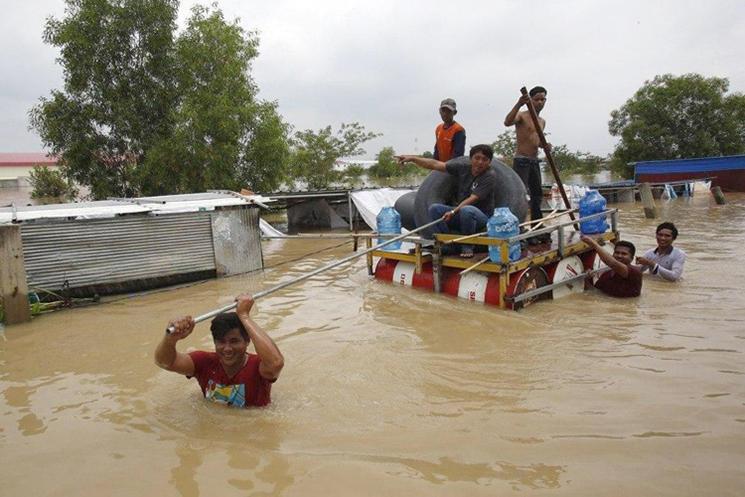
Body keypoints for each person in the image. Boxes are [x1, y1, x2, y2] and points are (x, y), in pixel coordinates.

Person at [154, 294, 284, 408]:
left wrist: (244, 316)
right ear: (215, 343)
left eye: (234, 341)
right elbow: (164, 363)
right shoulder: (204, 362)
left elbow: (276, 363)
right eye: (221, 342)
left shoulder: (258, 366)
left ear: (247, 341)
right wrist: (170, 339)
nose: (227, 349)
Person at [397, 144, 497, 258]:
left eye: (484, 159)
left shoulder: (489, 176)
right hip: (461, 212)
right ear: (471, 159)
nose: (480, 162)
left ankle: (467, 245)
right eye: (477, 158)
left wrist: (453, 211)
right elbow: (435, 164)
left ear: (489, 162)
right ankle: (447, 243)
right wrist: (413, 159)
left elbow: (473, 198)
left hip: (482, 217)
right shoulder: (463, 168)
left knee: (467, 210)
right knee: (435, 209)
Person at [504, 86, 551, 239]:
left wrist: (545, 145)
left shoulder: (542, 121)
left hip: (534, 160)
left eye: (543, 99)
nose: (540, 102)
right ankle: (519, 225)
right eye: (537, 99)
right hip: (522, 160)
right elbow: (507, 122)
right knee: (521, 194)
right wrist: (519, 103)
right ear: (531, 100)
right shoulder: (522, 116)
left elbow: (536, 140)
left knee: (537, 194)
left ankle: (537, 223)